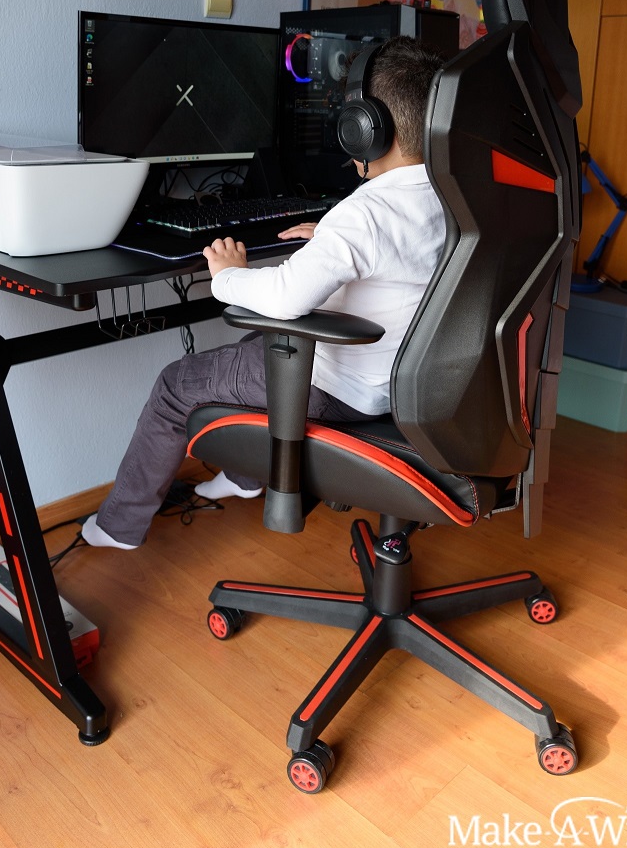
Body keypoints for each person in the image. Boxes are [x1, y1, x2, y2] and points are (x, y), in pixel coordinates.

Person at [81, 37, 447, 549]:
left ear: (363, 127)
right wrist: (332, 238)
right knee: (256, 348)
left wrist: (227, 274)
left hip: (332, 389)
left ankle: (118, 527)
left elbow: (283, 298)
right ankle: (245, 478)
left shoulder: (365, 214)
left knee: (175, 385)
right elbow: (404, 258)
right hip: (390, 385)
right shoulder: (447, 197)